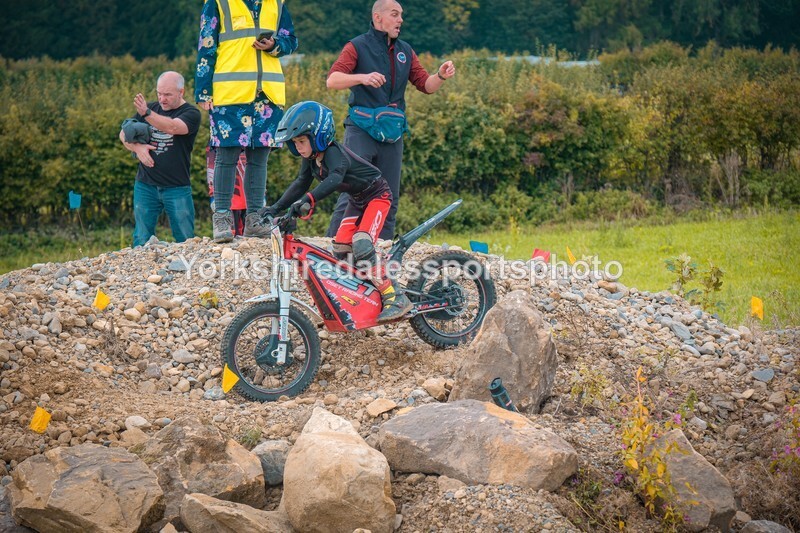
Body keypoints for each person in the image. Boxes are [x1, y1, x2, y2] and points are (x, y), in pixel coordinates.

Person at [260, 101, 413, 322]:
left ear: (318, 136)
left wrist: (309, 200)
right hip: (357, 200)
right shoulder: (311, 159)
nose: (298, 147)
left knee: (362, 243)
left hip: (377, 196)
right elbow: (301, 183)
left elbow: (334, 178)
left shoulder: (333, 153)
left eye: (302, 141)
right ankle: (363, 292)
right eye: (295, 142)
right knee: (340, 247)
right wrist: (275, 208)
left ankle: (395, 296)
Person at [325, 0, 456, 241]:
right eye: (395, 15)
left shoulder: (406, 50)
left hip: (392, 134)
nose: (400, 20)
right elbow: (332, 80)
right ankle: (333, 245)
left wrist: (440, 75)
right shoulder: (357, 46)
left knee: (389, 196)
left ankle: (382, 247)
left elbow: (426, 86)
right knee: (352, 191)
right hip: (360, 130)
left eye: (401, 15)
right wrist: (362, 78)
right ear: (378, 17)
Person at [195, 0, 298, 243]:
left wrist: (274, 45)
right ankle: (222, 217)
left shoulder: (277, 3)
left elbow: (291, 41)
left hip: (267, 93)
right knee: (227, 155)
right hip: (230, 93)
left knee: (259, 158)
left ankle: (255, 219)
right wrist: (203, 90)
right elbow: (206, 46)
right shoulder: (218, 3)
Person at [119, 71, 201, 247]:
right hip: (145, 185)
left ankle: (187, 265)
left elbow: (173, 127)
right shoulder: (150, 108)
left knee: (186, 240)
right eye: (159, 93)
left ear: (181, 92)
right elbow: (123, 134)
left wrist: (146, 113)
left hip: (177, 187)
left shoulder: (191, 113)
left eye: (168, 95)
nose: (162, 99)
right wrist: (137, 148)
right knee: (141, 239)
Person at [206, 145, 248, 236]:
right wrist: (213, 193)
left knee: (247, 233)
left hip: (246, 197)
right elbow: (211, 165)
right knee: (228, 234)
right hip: (226, 200)